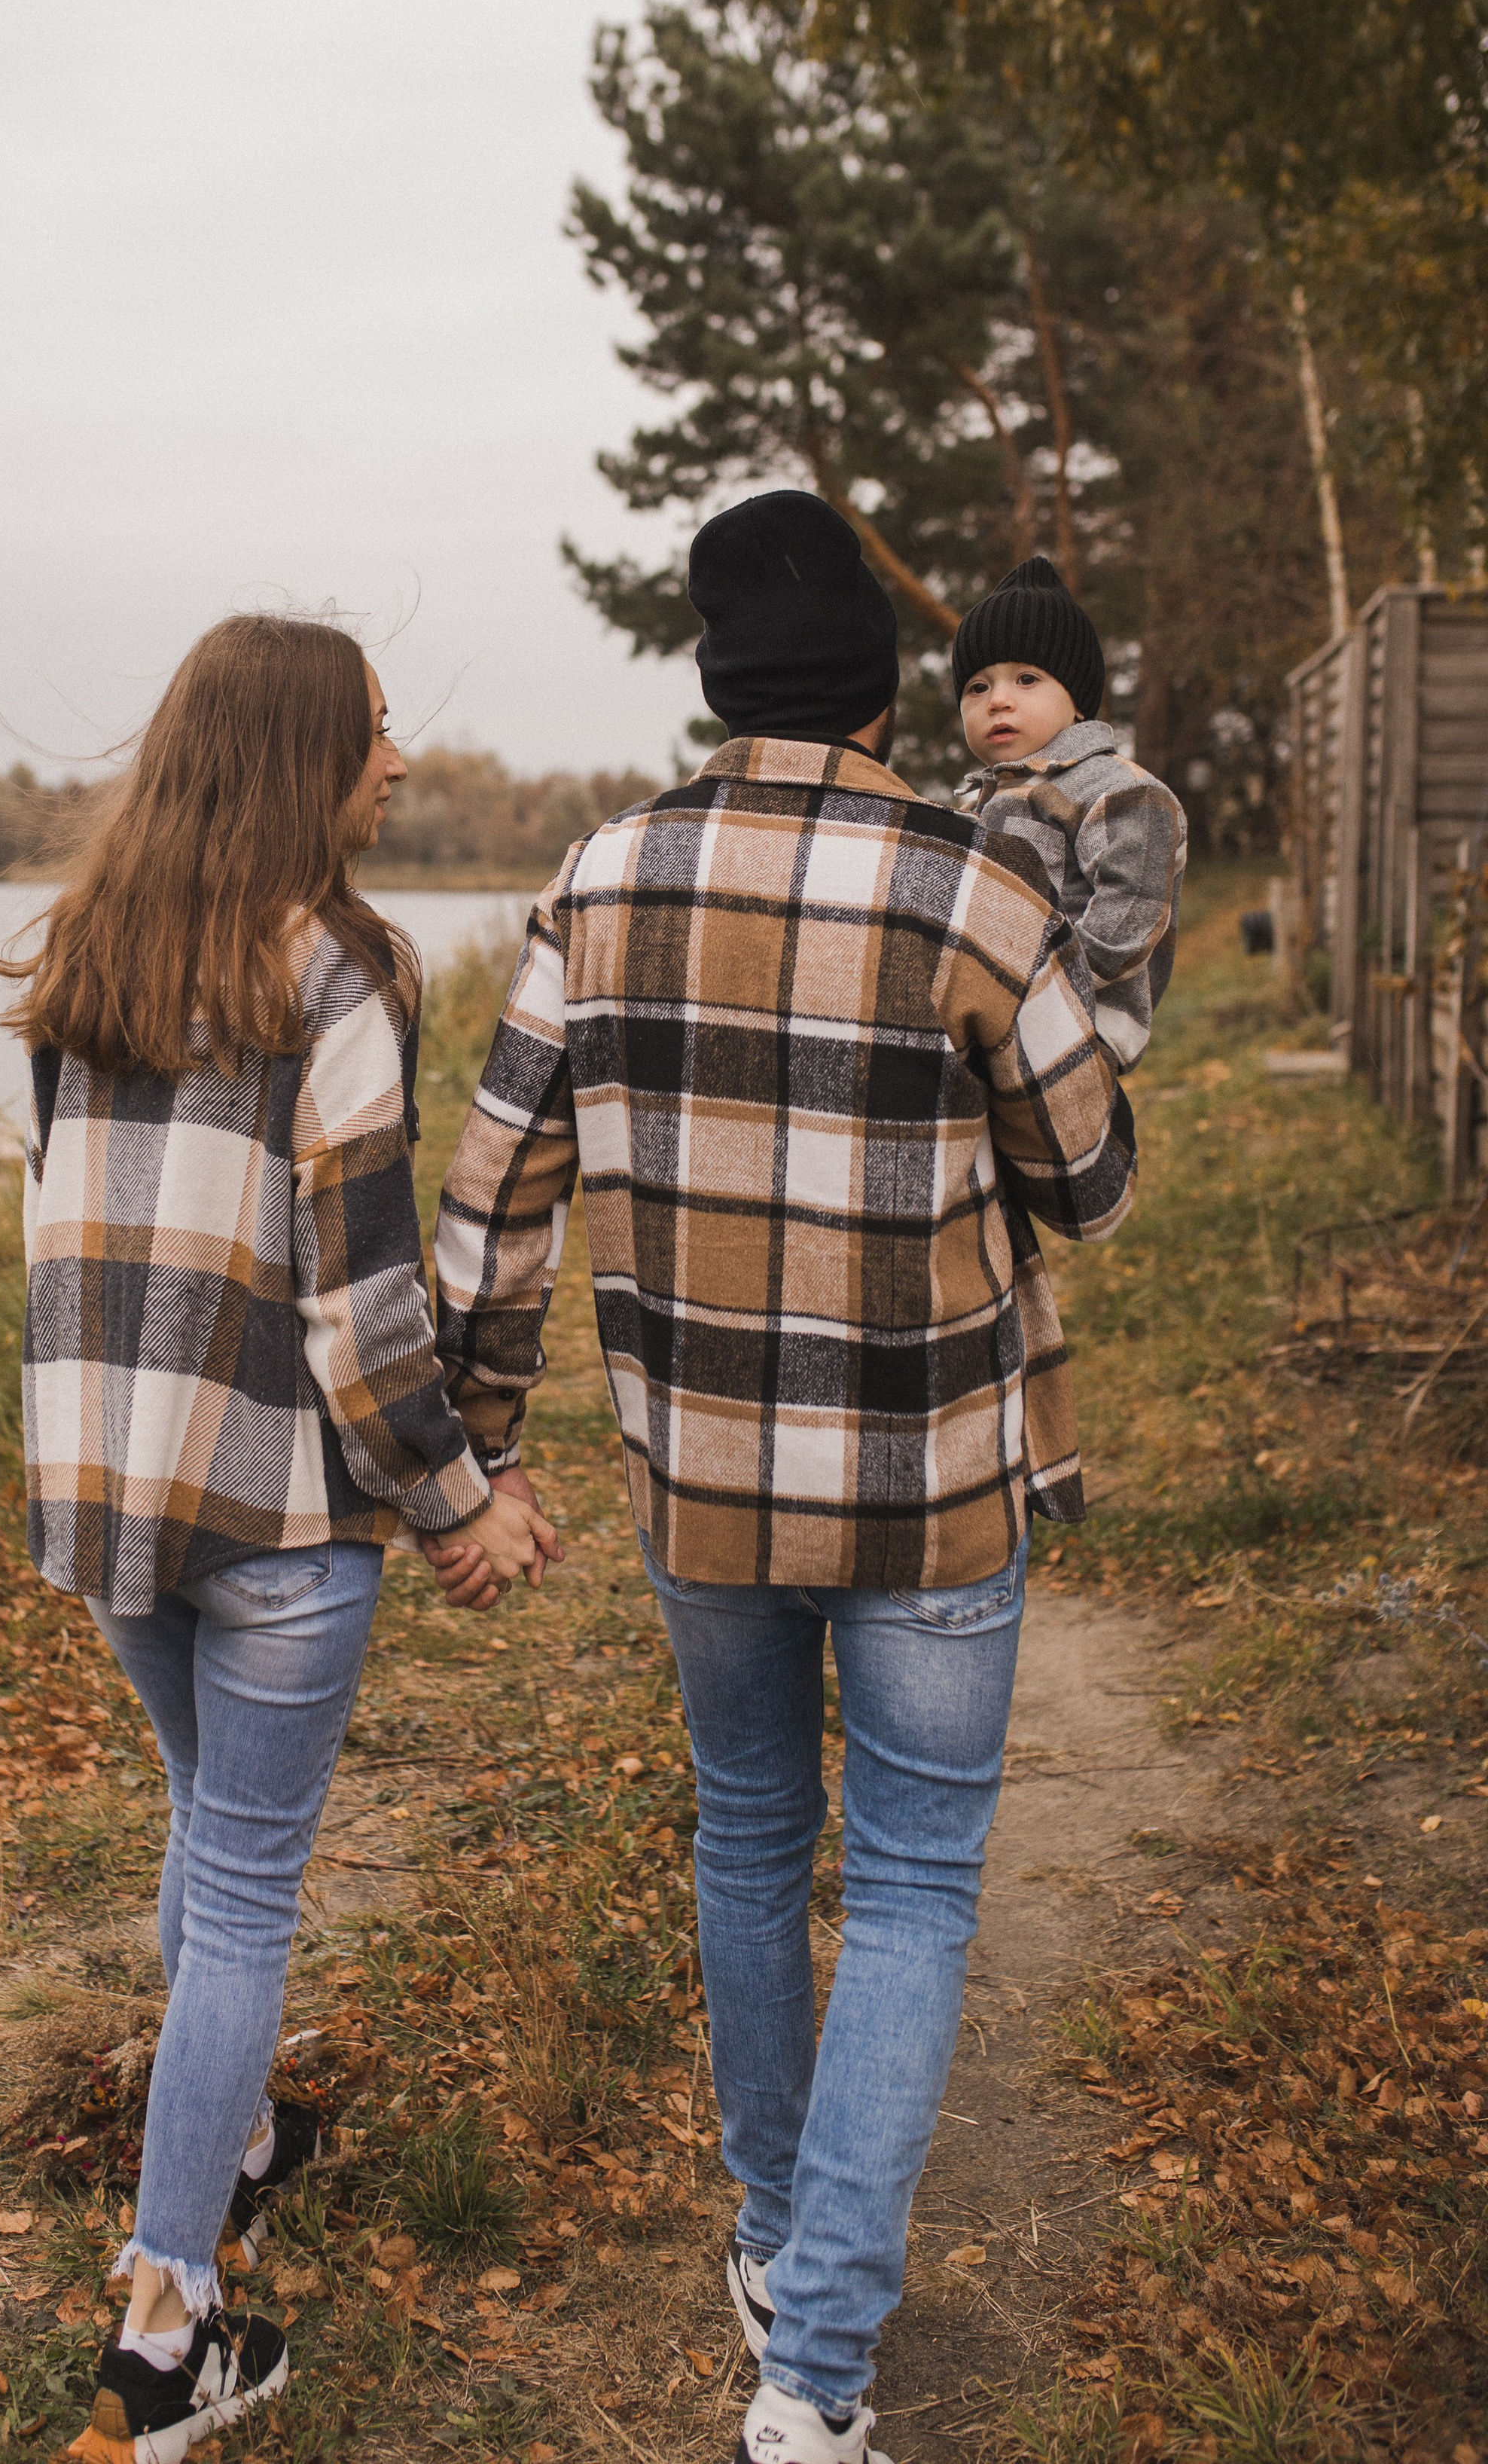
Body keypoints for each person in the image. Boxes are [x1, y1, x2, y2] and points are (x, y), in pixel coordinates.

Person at [433, 492, 1136, 2464]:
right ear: (886, 696)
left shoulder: (598, 880)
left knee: (748, 1837)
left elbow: (490, 1202)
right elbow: (1091, 1179)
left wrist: (477, 1451)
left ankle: (773, 2242)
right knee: (908, 1886)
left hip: (704, 1485)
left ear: (716, 677)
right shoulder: (967, 884)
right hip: (929, 1490)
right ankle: (814, 2378)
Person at [0, 613, 558, 2456]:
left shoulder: (87, 948)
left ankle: (230, 2134)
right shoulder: (339, 967)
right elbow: (363, 1301)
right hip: (274, 1515)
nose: (398, 759)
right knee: (241, 1885)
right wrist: (460, 1499)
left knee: (204, 1823)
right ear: (305, 753)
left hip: (114, 1492)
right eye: (374, 730)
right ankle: (166, 2333)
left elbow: (58, 1229)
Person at [952, 555, 1188, 1074]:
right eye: (978, 687)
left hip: (1077, 1035)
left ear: (1077, 700)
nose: (998, 700)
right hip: (992, 1025)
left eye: (1026, 679)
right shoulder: (975, 806)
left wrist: (1033, 984)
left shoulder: (1119, 791)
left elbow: (1129, 918)